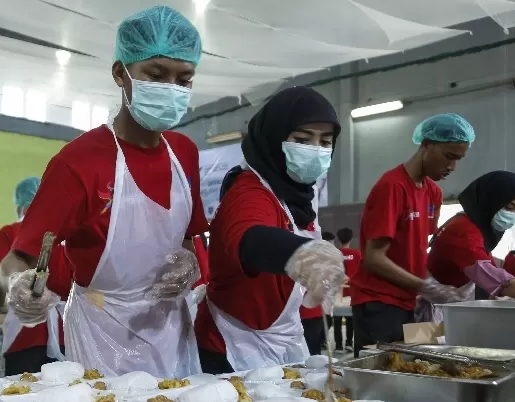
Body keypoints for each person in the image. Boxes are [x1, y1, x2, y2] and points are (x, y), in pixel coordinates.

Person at [0, 6, 207, 377]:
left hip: (172, 328)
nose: (171, 90)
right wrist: (19, 286)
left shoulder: (184, 154)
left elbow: (187, 240)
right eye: (155, 75)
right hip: (103, 336)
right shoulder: (79, 163)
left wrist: (188, 266)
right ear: (120, 73)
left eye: (184, 80)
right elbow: (17, 258)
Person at [194, 86, 346, 374]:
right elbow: (250, 237)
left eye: (325, 142)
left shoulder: (297, 196)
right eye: (302, 139)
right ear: (274, 138)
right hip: (230, 347)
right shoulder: (249, 191)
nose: (316, 150)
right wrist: (300, 252)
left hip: (278, 338)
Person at [349, 113, 475, 355]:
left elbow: (416, 252)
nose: (452, 167)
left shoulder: (433, 193)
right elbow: (373, 258)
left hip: (413, 302)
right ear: (426, 145)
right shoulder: (392, 186)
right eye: (448, 157)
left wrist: (436, 286)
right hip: (380, 303)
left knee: (418, 362)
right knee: (380, 371)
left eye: (459, 159)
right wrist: (426, 285)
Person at [419, 171, 515, 321]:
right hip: (434, 309)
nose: (513, 215)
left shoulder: (478, 229)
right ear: (490, 200)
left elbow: (490, 269)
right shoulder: (464, 230)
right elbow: (488, 273)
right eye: (508, 207)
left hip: (451, 305)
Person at [0, 177, 72, 375]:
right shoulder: (65, 236)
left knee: (22, 397)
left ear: (20, 206)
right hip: (67, 335)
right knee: (66, 396)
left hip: (24, 333)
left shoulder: (10, 233)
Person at [333, 227, 360, 351]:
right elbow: (360, 272)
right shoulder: (357, 254)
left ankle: (338, 345)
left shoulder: (335, 254)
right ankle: (349, 343)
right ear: (351, 238)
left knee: (337, 320)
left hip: (338, 293)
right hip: (352, 292)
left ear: (338, 239)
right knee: (350, 320)